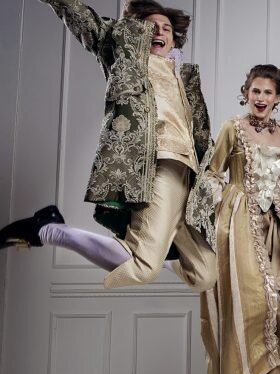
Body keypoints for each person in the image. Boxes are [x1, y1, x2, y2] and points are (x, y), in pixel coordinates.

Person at [0, 0, 215, 292]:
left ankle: (157, 245)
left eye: (166, 28)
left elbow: (199, 132)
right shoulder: (124, 54)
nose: (159, 32)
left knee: (204, 275)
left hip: (191, 178)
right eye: (151, 26)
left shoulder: (184, 77)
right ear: (138, 31)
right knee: (143, 268)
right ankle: (48, 229)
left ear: (174, 41)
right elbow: (82, 18)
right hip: (159, 164)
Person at [189, 65, 280, 374]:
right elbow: (213, 173)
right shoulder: (233, 128)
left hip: (277, 224)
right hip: (239, 221)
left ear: (278, 97)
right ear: (246, 93)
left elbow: (278, 182)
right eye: (255, 91)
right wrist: (212, 213)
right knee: (250, 304)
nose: (260, 98)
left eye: (268, 92)